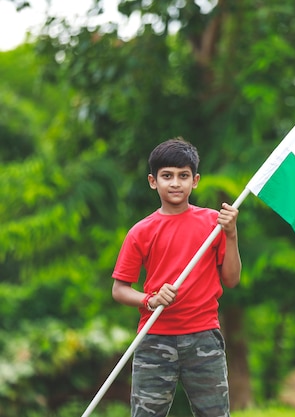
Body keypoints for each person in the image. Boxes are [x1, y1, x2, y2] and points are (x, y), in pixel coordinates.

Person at [111, 137, 241, 417]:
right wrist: (150, 299)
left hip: (204, 335)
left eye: (183, 176)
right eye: (166, 176)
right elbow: (120, 289)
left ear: (195, 181)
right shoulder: (140, 231)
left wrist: (231, 234)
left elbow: (231, 279)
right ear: (152, 181)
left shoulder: (213, 223)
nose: (175, 183)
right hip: (154, 337)